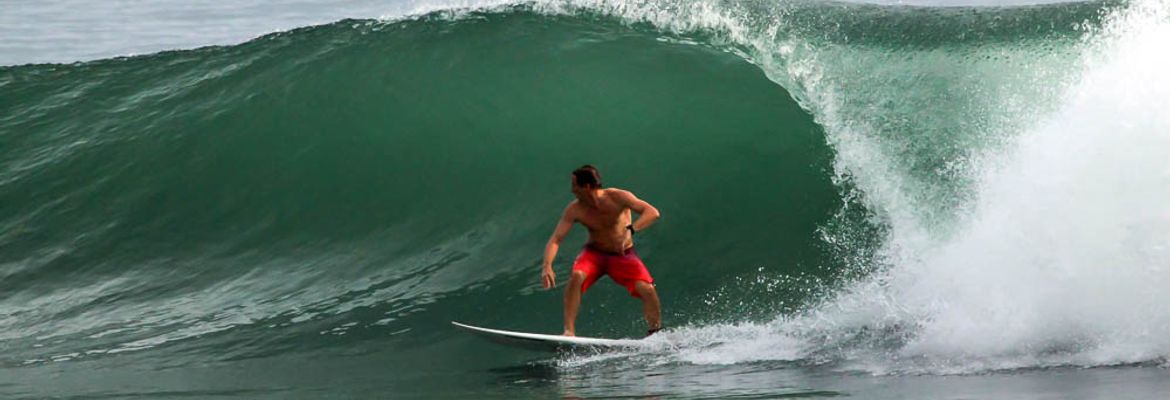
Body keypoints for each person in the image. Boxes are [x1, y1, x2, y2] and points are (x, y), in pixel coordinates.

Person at [541, 165, 662, 337]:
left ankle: (654, 333)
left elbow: (652, 212)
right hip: (594, 255)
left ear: (587, 187)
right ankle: (569, 331)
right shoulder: (575, 209)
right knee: (577, 276)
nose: (572, 190)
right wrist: (547, 265)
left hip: (623, 255)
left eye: (575, 185)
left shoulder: (618, 197)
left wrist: (631, 229)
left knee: (648, 289)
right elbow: (556, 239)